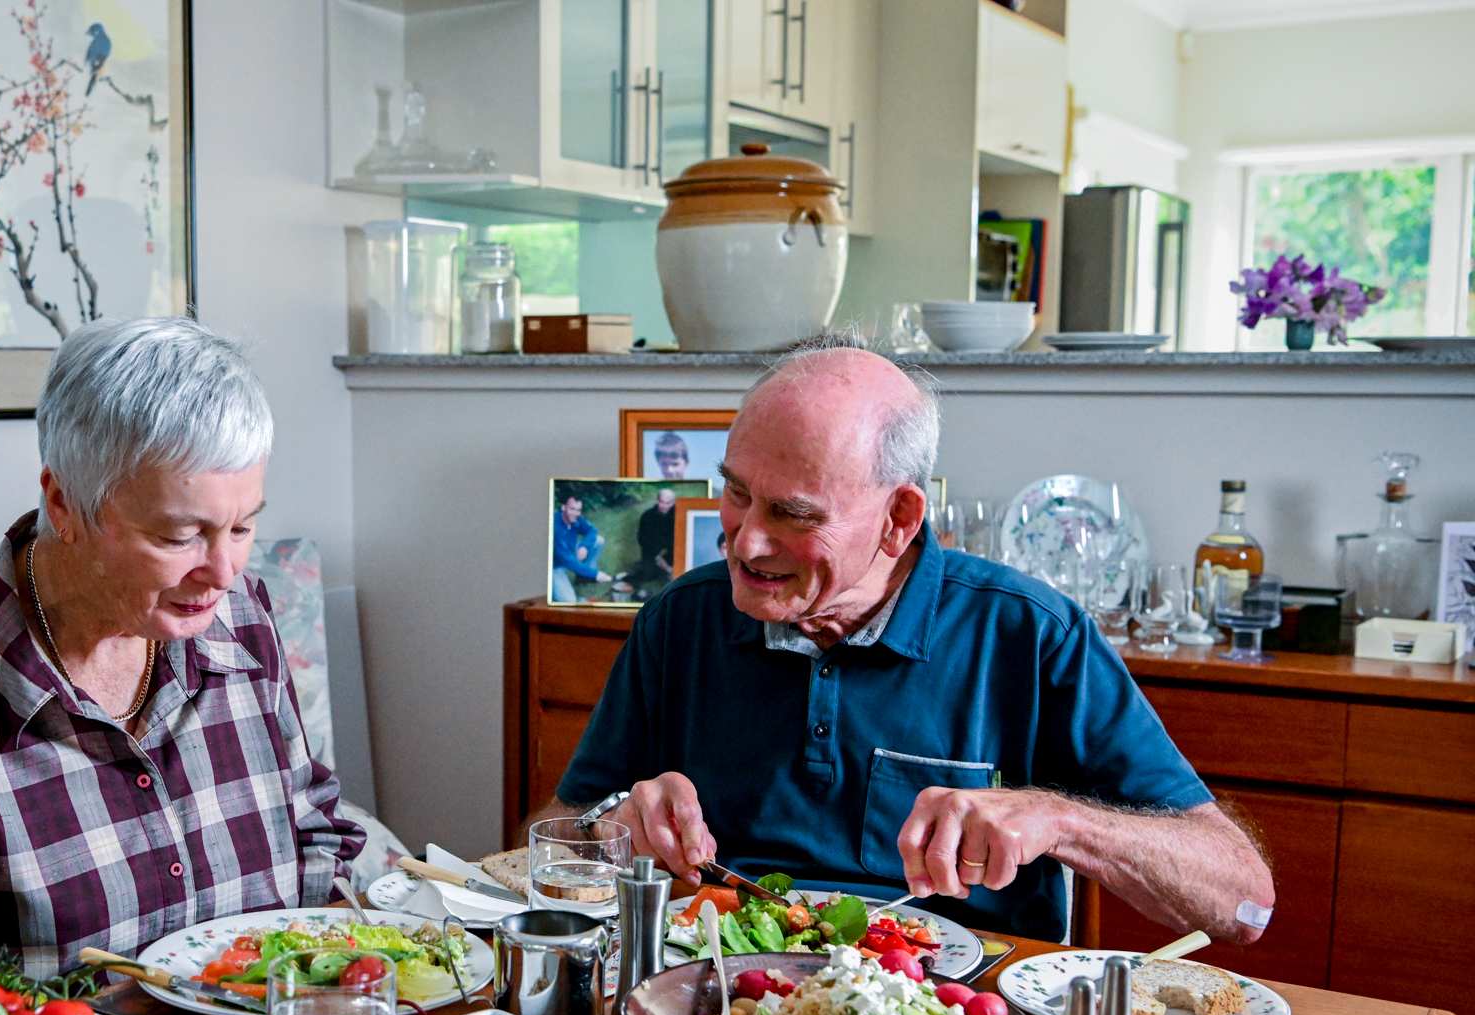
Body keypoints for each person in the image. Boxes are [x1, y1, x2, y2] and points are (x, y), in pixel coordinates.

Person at [541, 334, 1274, 944]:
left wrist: (1056, 820)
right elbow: (546, 835)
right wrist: (610, 826)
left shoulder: (1029, 634)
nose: (747, 542)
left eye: (794, 514)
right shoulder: (681, 618)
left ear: (899, 517)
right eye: (737, 493)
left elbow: (1244, 902)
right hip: (712, 999)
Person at [0, 318, 365, 976]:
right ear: (64, 504)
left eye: (243, 525)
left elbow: (313, 832)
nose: (222, 570)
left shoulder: (242, 618)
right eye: (180, 536)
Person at [551, 493, 610, 603]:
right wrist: (596, 574)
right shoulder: (555, 525)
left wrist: (584, 546)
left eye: (578, 510)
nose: (576, 513)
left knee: (598, 540)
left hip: (569, 554)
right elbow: (568, 560)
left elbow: (592, 530)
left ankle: (583, 577)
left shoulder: (576, 518)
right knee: (569, 601)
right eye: (572, 509)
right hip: (555, 565)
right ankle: (587, 573)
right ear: (563, 507)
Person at [631, 487, 679, 592]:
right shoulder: (647, 516)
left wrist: (666, 562)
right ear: (657, 500)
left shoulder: (679, 514)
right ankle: (643, 567)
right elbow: (642, 539)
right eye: (662, 502)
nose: (664, 506)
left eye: (668, 503)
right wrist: (658, 557)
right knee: (647, 574)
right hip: (652, 552)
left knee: (678, 573)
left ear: (673, 502)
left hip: (672, 550)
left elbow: (680, 538)